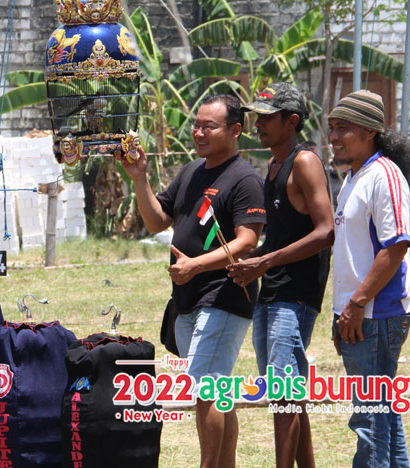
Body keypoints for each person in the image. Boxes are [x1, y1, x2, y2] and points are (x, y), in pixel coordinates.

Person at [121, 94, 266, 468]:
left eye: (209, 126)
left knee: (206, 387)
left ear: (235, 130)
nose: (198, 133)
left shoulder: (245, 179)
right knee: (216, 389)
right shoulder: (191, 171)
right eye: (196, 125)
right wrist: (140, 178)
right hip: (187, 299)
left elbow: (247, 241)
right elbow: (157, 221)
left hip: (223, 297)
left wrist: (196, 266)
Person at [226, 82, 334, 468]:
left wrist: (265, 262)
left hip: (296, 295)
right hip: (271, 292)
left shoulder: (304, 162)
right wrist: (252, 259)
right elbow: (281, 236)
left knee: (284, 395)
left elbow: (326, 232)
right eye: (256, 116)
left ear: (292, 121)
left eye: (267, 117)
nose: (257, 124)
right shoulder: (272, 167)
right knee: (286, 394)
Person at [328, 89, 410, 468]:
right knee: (383, 419)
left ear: (369, 132)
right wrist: (341, 311)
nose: (333, 137)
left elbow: (396, 247)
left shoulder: (385, 176)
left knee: (370, 421)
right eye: (332, 128)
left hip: (376, 315)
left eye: (343, 128)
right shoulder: (354, 177)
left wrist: (356, 304)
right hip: (357, 314)